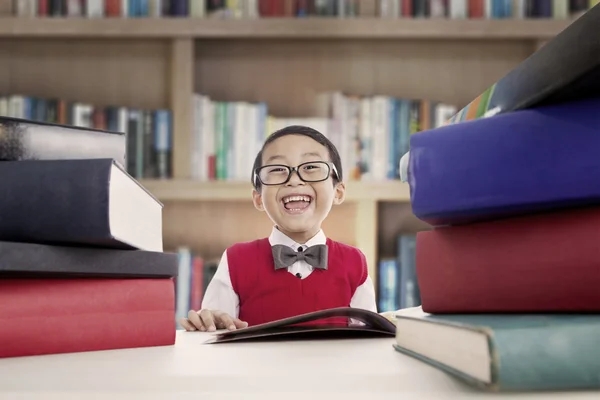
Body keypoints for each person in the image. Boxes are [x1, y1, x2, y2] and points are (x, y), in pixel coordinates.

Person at [180, 125, 377, 332]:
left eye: (310, 167)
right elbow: (214, 334)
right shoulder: (235, 260)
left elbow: (369, 342)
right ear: (258, 198)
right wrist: (208, 322)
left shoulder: (355, 263)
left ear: (338, 191)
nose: (294, 180)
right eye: (277, 169)